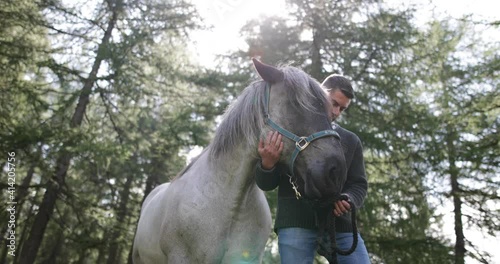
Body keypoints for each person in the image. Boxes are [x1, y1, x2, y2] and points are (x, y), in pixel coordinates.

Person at [255, 74, 370, 263]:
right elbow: (266, 184)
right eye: (334, 103)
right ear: (319, 94)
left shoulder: (351, 140)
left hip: (340, 227)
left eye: (342, 108)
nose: (337, 111)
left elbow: (358, 185)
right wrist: (267, 163)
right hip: (295, 223)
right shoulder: (290, 132)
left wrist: (349, 200)